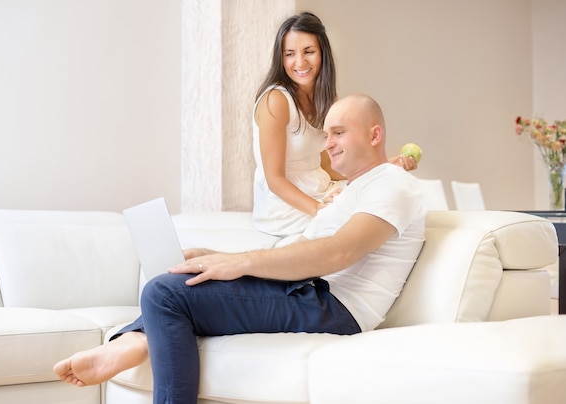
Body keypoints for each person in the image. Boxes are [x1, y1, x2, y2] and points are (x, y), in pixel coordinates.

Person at [54, 94, 426, 403]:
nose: (328, 144)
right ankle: (136, 340)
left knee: (164, 295)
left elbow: (337, 253)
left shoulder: (393, 184)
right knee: (181, 281)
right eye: (327, 134)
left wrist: (240, 262)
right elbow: (305, 250)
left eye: (339, 133)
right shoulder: (351, 191)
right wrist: (217, 256)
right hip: (306, 289)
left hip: (332, 305)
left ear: (375, 135)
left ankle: (136, 340)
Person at [252, 12, 417, 237]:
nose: (300, 62)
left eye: (309, 52)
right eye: (290, 54)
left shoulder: (327, 99)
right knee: (359, 220)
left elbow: (328, 165)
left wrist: (384, 165)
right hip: (284, 208)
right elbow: (275, 180)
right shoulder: (276, 101)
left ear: (323, 53)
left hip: (320, 191)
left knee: (384, 198)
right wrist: (321, 210)